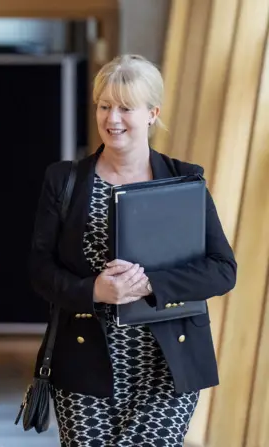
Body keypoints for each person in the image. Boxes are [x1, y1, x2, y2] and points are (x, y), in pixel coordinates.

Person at [28, 54, 236, 446]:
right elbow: (40, 269)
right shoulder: (64, 181)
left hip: (166, 365)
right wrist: (94, 291)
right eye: (105, 106)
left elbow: (223, 269)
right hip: (84, 361)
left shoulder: (184, 180)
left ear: (153, 113)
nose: (113, 118)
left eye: (126, 107)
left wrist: (148, 284)